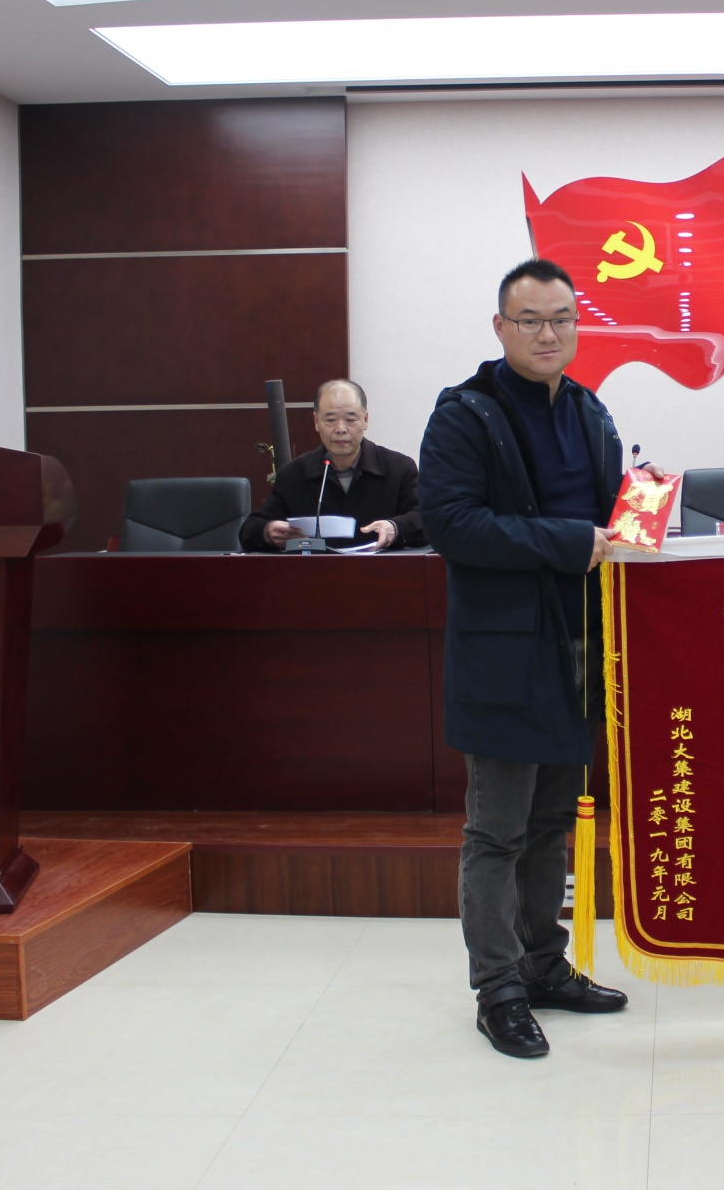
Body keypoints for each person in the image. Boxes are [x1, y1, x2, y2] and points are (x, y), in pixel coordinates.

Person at [418, 258, 652, 1059]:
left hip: (580, 646)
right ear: (501, 327)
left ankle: (544, 964)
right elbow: (452, 523)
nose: (548, 333)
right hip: (504, 652)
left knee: (553, 820)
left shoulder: (589, 409)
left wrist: (640, 515)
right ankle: (499, 987)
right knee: (498, 829)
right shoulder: (465, 415)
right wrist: (570, 541)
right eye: (530, 320)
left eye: (561, 319)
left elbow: (606, 515)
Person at [240, 378, 425, 552]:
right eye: (330, 420)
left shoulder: (399, 469)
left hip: (382, 571)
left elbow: (426, 519)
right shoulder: (293, 475)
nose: (340, 429)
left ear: (366, 420)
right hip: (315, 572)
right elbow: (249, 530)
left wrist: (395, 528)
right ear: (316, 422)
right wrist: (268, 531)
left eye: (350, 420)